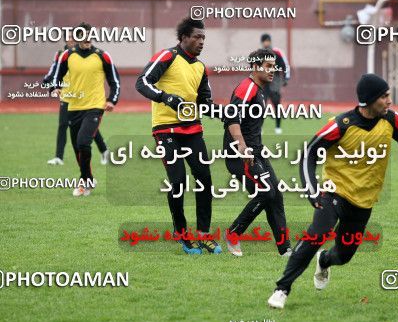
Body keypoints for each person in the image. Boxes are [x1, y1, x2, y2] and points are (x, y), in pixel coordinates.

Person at [267, 74, 398, 309]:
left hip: (364, 201)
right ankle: (282, 289)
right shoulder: (341, 125)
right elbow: (308, 154)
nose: (389, 101)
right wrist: (312, 191)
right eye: (384, 96)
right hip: (333, 192)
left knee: (344, 255)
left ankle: (325, 260)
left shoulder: (391, 119)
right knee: (315, 235)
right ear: (369, 100)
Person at [135, 17, 221, 255]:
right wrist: (165, 97)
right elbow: (142, 82)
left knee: (204, 179)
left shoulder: (201, 68)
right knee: (178, 182)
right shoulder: (167, 57)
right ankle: (182, 234)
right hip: (165, 130)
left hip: (193, 129)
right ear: (183, 37)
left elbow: (205, 102)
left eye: (203, 37)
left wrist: (225, 113)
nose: (201, 41)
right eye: (197, 36)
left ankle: (204, 234)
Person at [222, 48, 291, 257]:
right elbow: (231, 119)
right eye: (268, 66)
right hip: (240, 154)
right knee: (266, 193)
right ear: (255, 67)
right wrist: (242, 147)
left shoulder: (260, 90)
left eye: (274, 66)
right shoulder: (247, 88)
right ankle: (233, 233)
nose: (272, 70)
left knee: (275, 195)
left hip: (256, 152)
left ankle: (285, 249)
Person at [51, 22, 120, 196]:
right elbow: (56, 76)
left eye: (90, 35)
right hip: (73, 106)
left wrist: (112, 100)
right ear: (76, 38)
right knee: (77, 148)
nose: (87, 38)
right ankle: (87, 179)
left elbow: (114, 81)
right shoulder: (67, 55)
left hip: (95, 106)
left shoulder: (102, 56)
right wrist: (55, 87)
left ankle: (84, 183)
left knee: (83, 141)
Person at [44, 34, 110, 166]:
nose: (72, 40)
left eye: (73, 38)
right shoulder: (61, 55)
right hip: (66, 96)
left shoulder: (87, 55)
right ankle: (58, 157)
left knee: (87, 129)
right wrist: (50, 83)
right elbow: (54, 72)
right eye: (69, 38)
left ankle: (104, 150)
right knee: (63, 124)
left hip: (82, 98)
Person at [260, 33, 290, 134]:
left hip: (275, 82)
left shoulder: (277, 52)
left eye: (267, 40)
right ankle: (259, 127)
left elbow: (285, 65)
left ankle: (278, 127)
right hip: (263, 83)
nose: (266, 43)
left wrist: (286, 77)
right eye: (264, 41)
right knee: (261, 105)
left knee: (277, 105)